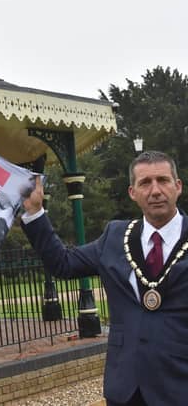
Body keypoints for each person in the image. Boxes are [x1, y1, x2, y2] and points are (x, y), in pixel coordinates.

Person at [21, 150, 188, 406]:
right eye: (145, 182)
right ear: (132, 192)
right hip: (126, 390)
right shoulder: (115, 237)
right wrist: (34, 212)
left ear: (178, 187)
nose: (155, 190)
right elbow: (63, 264)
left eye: (163, 180)